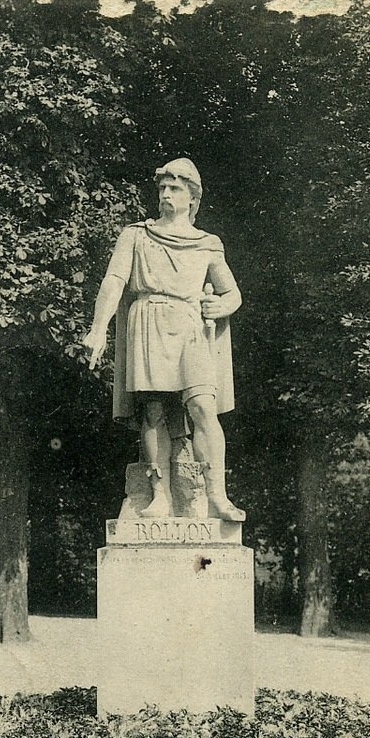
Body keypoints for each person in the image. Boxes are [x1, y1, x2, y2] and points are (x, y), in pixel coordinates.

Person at [83, 158, 245, 521]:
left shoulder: (207, 243)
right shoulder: (136, 235)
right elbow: (113, 282)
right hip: (149, 319)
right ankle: (159, 495)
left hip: (189, 326)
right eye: (162, 188)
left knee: (203, 406)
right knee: (153, 411)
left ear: (192, 196)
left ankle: (216, 494)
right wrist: (98, 328)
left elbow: (233, 293)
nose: (166, 194)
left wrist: (219, 306)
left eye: (175, 188)